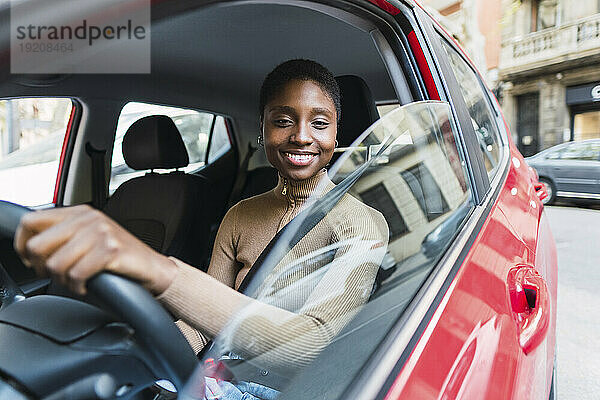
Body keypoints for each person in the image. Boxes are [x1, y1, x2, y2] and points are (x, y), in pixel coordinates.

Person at [14, 59, 389, 399]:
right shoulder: (240, 215)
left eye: (320, 124)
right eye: (283, 120)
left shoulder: (363, 223)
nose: (302, 136)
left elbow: (313, 344)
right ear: (262, 131)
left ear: (337, 136)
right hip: (221, 375)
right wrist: (143, 357)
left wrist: (159, 270)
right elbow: (202, 326)